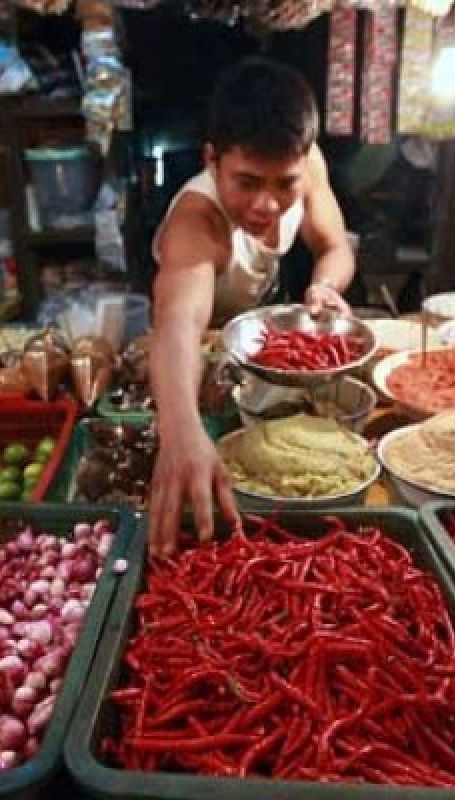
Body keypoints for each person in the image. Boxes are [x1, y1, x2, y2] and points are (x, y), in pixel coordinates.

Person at [148, 57, 356, 557]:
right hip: (194, 364)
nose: (267, 204)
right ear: (211, 161)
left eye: (284, 184)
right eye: (246, 182)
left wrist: (326, 287)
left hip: (256, 348)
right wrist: (180, 432)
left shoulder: (309, 167)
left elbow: (336, 247)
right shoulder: (197, 224)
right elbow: (177, 325)